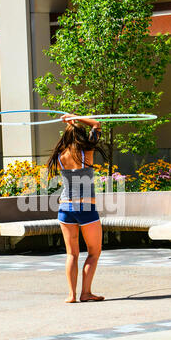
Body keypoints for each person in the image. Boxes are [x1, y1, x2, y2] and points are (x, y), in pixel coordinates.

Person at [48, 113, 107, 303]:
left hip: (65, 208)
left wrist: (71, 122)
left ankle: (72, 295)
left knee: (72, 254)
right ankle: (86, 292)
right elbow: (97, 124)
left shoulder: (60, 156)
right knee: (93, 253)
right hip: (85, 208)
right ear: (81, 136)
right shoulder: (85, 152)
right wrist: (77, 117)